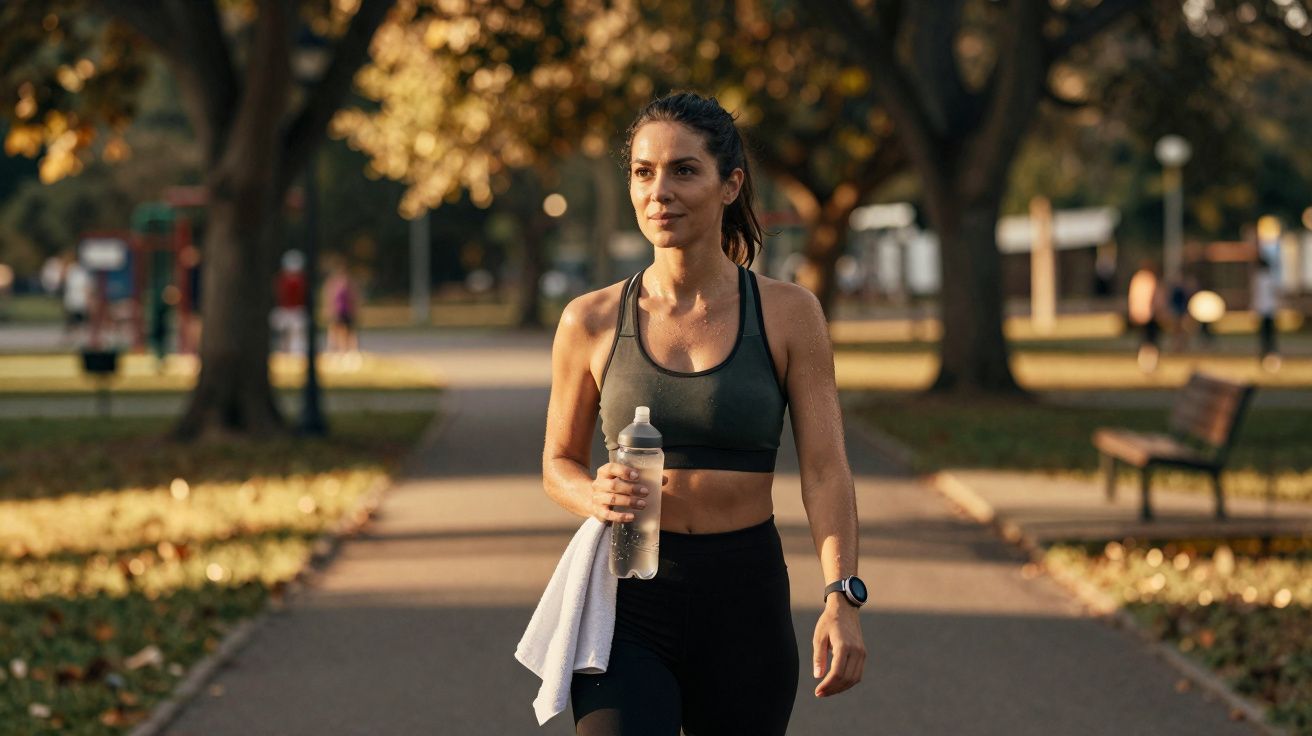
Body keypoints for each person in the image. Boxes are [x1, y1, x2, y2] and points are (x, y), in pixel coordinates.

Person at [542, 92, 866, 736]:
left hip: (744, 601)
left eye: (684, 170)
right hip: (629, 598)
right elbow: (558, 462)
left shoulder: (788, 313)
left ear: (730, 184)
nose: (659, 190)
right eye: (643, 171)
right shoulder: (591, 318)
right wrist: (590, 493)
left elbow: (826, 471)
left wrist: (842, 597)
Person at [1127, 259, 1163, 372]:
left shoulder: (1137, 278)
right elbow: (1152, 297)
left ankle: (1145, 361)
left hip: (1139, 313)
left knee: (1144, 339)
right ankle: (1148, 363)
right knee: (1150, 340)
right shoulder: (1149, 279)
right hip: (1149, 313)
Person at [322, 259, 360, 358]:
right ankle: (334, 350)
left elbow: (353, 297)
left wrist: (354, 309)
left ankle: (350, 351)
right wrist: (329, 309)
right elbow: (329, 297)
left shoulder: (348, 282)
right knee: (335, 331)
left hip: (346, 310)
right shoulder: (333, 283)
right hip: (338, 311)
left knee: (348, 332)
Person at [1252, 255, 1280, 371]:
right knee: (1270, 336)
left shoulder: (1259, 279)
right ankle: (1271, 355)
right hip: (1270, 310)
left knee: (1264, 336)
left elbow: (1257, 296)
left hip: (1263, 310)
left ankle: (1267, 356)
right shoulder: (1270, 278)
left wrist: (1254, 309)